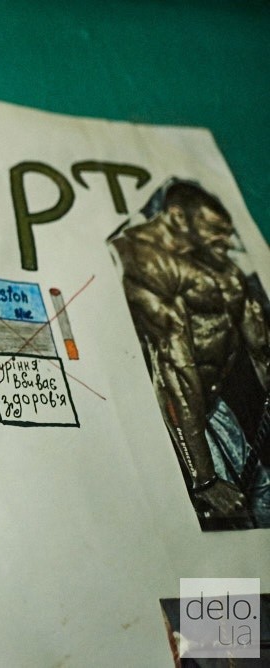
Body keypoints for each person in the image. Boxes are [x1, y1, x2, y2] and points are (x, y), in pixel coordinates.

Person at [109, 180, 270, 528]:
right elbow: (174, 373)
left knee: (262, 495)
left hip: (213, 402)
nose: (226, 241)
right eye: (215, 230)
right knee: (231, 518)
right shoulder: (142, 261)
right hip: (173, 414)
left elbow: (258, 342)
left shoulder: (209, 258)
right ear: (178, 217)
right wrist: (205, 479)